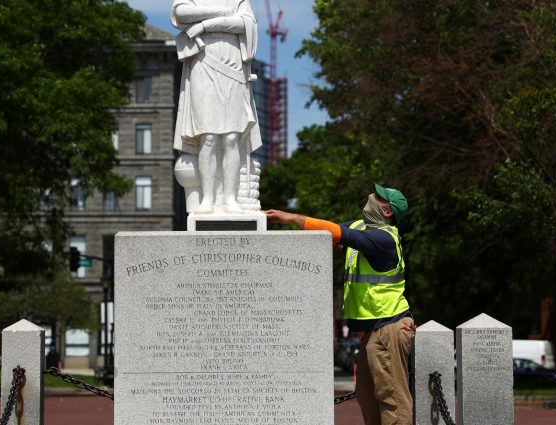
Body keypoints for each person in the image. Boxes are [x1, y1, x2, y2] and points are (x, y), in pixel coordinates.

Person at [264, 184, 415, 425]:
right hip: (374, 329)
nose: (371, 197)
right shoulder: (360, 227)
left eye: (378, 197)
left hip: (389, 326)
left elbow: (337, 232)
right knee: (367, 397)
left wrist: (291, 217)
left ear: (387, 211)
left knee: (393, 400)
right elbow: (330, 231)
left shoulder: (384, 238)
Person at [171, 0, 262, 213]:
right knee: (208, 137)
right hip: (203, 61)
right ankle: (208, 199)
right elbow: (181, 13)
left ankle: (230, 198)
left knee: (231, 137)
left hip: (233, 63)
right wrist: (222, 12)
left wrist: (205, 25)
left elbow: (245, 24)